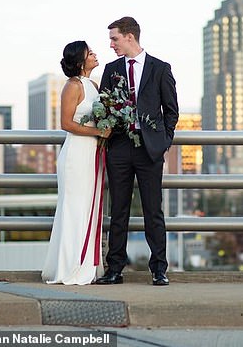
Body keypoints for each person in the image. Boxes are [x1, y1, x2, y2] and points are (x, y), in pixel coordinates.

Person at [96, 17, 179, 286]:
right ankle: (115, 268)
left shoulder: (160, 68)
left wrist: (163, 142)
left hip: (149, 150)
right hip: (119, 148)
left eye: (114, 39)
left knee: (153, 210)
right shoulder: (111, 69)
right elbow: (105, 107)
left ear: (129, 37)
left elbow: (171, 111)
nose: (111, 45)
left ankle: (158, 269)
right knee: (117, 210)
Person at [42, 41, 111, 285]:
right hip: (77, 154)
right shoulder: (72, 86)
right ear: (81, 60)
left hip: (93, 154)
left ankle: (87, 266)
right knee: (74, 208)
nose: (95, 54)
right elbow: (66, 123)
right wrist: (98, 133)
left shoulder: (93, 85)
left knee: (90, 208)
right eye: (89, 52)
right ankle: (69, 267)